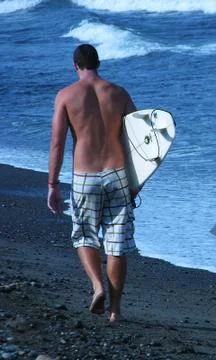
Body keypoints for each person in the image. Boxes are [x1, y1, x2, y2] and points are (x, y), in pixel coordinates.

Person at [47, 44, 137, 323]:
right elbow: (142, 138)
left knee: (85, 235)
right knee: (117, 244)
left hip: (85, 175)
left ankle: (97, 286)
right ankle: (115, 310)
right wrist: (137, 182)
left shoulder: (66, 96)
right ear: (99, 63)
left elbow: (57, 144)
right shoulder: (119, 93)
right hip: (118, 174)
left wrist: (52, 184)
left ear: (75, 66)